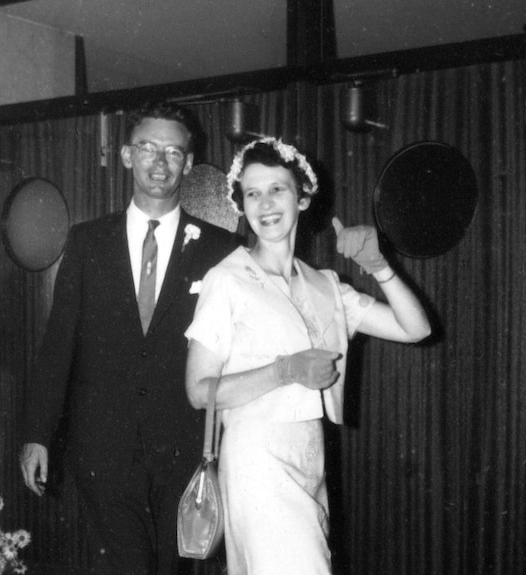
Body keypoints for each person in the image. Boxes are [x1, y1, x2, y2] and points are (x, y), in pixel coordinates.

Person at [184, 137, 432, 574]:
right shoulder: (227, 280)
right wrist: (283, 371)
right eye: (252, 193)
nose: (265, 204)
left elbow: (416, 329)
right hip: (255, 459)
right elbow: (198, 391)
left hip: (310, 459)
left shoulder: (325, 285)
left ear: (302, 197)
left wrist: (380, 267)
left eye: (277, 189)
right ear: (241, 204)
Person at [19, 101, 240, 574]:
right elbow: (58, 344)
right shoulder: (86, 242)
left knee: (170, 567)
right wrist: (37, 433)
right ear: (125, 155)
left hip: (182, 442)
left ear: (187, 162)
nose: (159, 163)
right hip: (102, 444)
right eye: (147, 148)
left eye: (173, 152)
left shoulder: (222, 251)